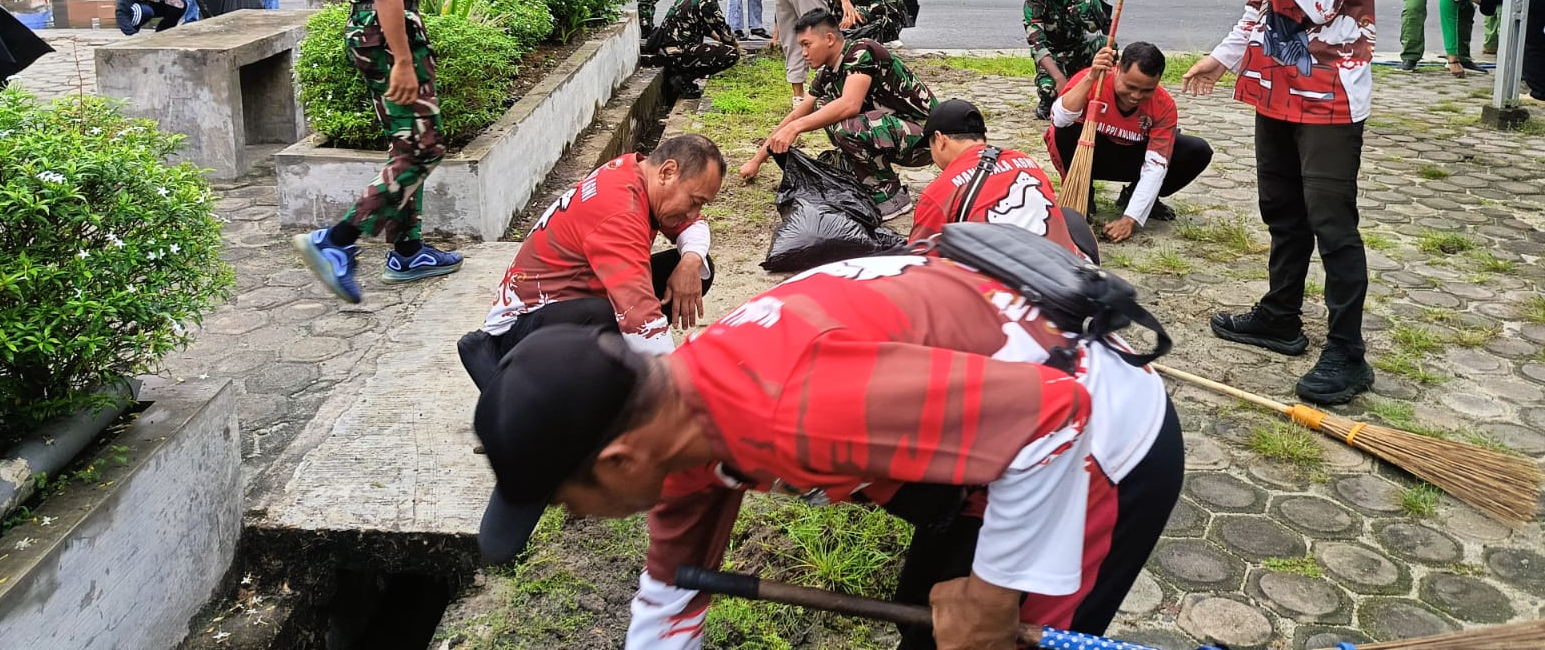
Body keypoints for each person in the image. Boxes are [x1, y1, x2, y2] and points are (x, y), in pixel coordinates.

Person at [474, 252, 1184, 650]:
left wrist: (995, 599)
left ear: (620, 462)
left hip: (1095, 446)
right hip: (987, 446)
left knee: (983, 635)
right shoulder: (677, 422)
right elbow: (667, 601)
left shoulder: (788, 404)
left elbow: (1054, 419)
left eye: (569, 503)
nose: (581, 520)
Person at [1183, 0, 1377, 406]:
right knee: (1281, 211)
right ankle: (1280, 317)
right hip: (1275, 88)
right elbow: (1262, 3)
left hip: (1330, 97)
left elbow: (1321, 3)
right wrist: (1223, 56)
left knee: (1331, 221)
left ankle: (1348, 351)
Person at [293, 0, 463, 303]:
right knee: (426, 146)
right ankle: (336, 241)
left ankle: (407, 252)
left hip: (362, 28)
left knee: (404, 144)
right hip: (392, 37)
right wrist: (404, 58)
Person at [457, 134, 724, 394]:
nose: (693, 213)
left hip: (573, 302)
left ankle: (612, 374)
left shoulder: (636, 173)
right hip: (521, 330)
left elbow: (695, 228)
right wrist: (679, 395)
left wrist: (690, 262)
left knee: (696, 270)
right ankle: (509, 374)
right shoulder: (620, 211)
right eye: (695, 201)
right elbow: (639, 316)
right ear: (667, 172)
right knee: (608, 315)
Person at [741, 8, 936, 217]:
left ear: (829, 39)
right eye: (801, 46)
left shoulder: (862, 51)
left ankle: (892, 196)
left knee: (846, 127)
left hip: (927, 140)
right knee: (824, 107)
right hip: (896, 135)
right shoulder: (828, 72)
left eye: (807, 44)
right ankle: (867, 179)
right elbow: (796, 115)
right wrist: (756, 160)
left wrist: (796, 129)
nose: (804, 53)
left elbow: (849, 104)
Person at [1046, 42, 1214, 242]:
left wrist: (1130, 219)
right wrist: (1091, 77)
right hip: (1091, 157)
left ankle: (1134, 197)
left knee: (1197, 149)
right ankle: (1083, 193)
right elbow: (1059, 119)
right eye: (1130, 87)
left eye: (1146, 90)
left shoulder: (1164, 105)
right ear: (1117, 70)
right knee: (1065, 130)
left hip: (1132, 159)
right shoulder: (1092, 80)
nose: (1136, 96)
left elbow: (1156, 166)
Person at [911, 98, 1093, 260]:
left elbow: (918, 260)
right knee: (1071, 218)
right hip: (1071, 279)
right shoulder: (1026, 162)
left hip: (1005, 291)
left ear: (940, 139)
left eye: (930, 146)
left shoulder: (939, 192)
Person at [1023, 0, 1107, 120]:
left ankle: (1107, 94)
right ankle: (1049, 102)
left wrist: (1087, 8)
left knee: (1107, 46)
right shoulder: (1034, 1)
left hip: (1078, 50)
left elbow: (1096, 26)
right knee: (1049, 89)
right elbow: (1038, 46)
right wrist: (1060, 79)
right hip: (1052, 58)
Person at [643, 0, 742, 97]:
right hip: (677, 53)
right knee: (731, 54)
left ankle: (682, 75)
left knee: (716, 47)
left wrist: (721, 39)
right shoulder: (707, 2)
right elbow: (725, 34)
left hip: (667, 49)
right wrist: (736, 46)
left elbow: (708, 28)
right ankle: (684, 79)